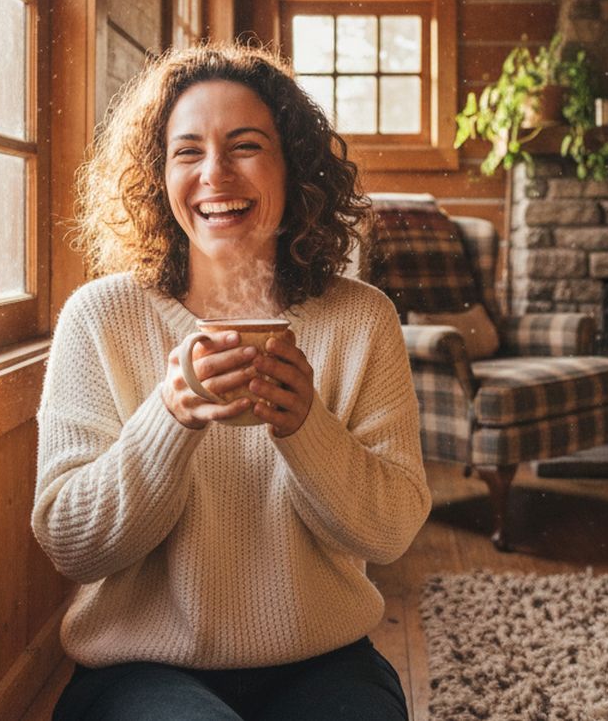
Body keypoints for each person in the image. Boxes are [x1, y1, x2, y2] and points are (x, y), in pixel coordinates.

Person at [33, 43, 431, 721]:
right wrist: (169, 419)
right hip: (139, 666)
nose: (215, 174)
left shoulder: (361, 320)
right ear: (158, 177)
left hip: (323, 658)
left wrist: (307, 427)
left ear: (294, 168)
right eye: (187, 151)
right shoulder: (100, 318)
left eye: (245, 146)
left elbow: (390, 532)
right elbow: (73, 544)